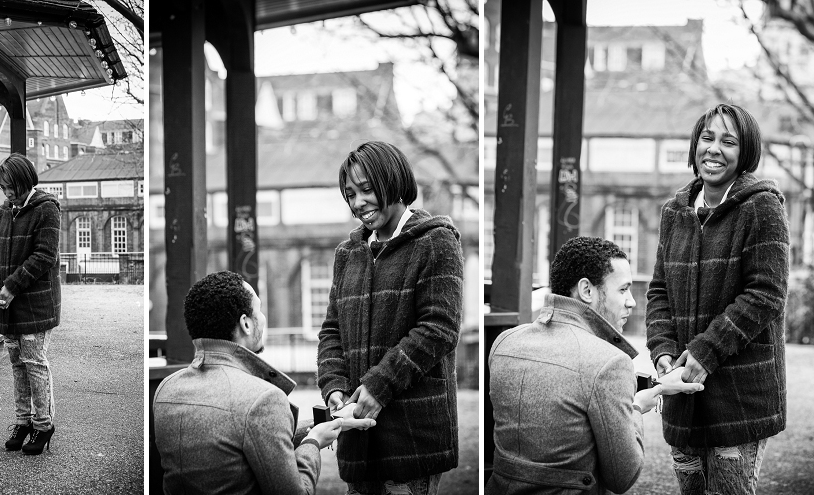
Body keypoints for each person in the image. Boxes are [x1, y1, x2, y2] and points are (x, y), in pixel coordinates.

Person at [486, 236, 704, 494]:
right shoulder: (610, 362)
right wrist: (634, 407)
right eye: (623, 289)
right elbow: (623, 477)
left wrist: (656, 387)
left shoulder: (504, 343)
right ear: (587, 291)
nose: (632, 301)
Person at [647, 103, 790, 494]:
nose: (713, 149)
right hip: (682, 396)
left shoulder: (762, 206)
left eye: (728, 141)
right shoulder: (673, 212)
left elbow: (767, 294)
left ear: (745, 154)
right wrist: (661, 350)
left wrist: (704, 352)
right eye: (707, 138)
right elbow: (658, 289)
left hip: (740, 396)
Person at [317, 141, 462, 495]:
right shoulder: (347, 254)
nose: (357, 202)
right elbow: (331, 329)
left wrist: (378, 387)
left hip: (412, 438)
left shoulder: (436, 241)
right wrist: (334, 388)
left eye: (366, 189)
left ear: (394, 181)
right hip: (357, 440)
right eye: (350, 194)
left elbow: (439, 329)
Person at [153, 271, 376, 494]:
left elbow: (239, 437)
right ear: (246, 324)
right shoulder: (263, 398)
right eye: (258, 310)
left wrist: (328, 422)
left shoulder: (167, 389)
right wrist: (313, 442)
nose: (263, 317)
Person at [0, 153, 62, 455]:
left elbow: (45, 256)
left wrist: (10, 287)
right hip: (8, 301)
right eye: (3, 187)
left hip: (35, 303)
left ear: (25, 181)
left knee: (34, 364)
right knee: (17, 365)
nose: (7, 193)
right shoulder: (5, 210)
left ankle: (44, 425)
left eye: (10, 187)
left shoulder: (47, 209)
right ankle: (23, 421)